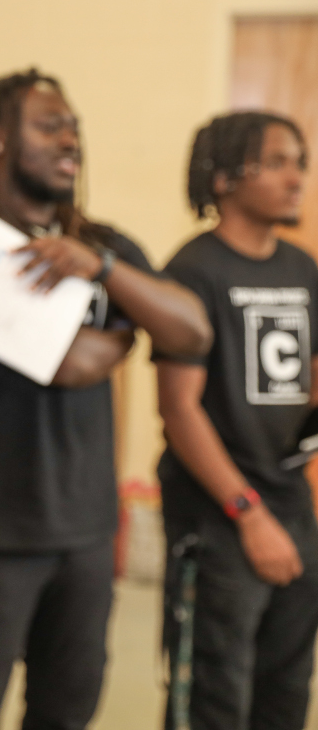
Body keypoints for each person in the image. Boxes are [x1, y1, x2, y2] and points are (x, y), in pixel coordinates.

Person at [0, 69, 211, 730]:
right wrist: (128, 331)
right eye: (49, 124)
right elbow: (69, 364)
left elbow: (194, 327)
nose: (70, 139)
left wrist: (104, 270)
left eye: (74, 126)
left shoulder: (104, 246)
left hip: (85, 529)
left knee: (69, 706)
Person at [154, 111, 318, 729]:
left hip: (294, 510)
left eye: (299, 161)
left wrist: (301, 483)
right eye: (277, 162)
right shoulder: (194, 272)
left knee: (287, 691)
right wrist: (249, 513)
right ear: (223, 178)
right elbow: (178, 408)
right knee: (215, 701)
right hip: (221, 519)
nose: (296, 177)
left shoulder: (302, 269)